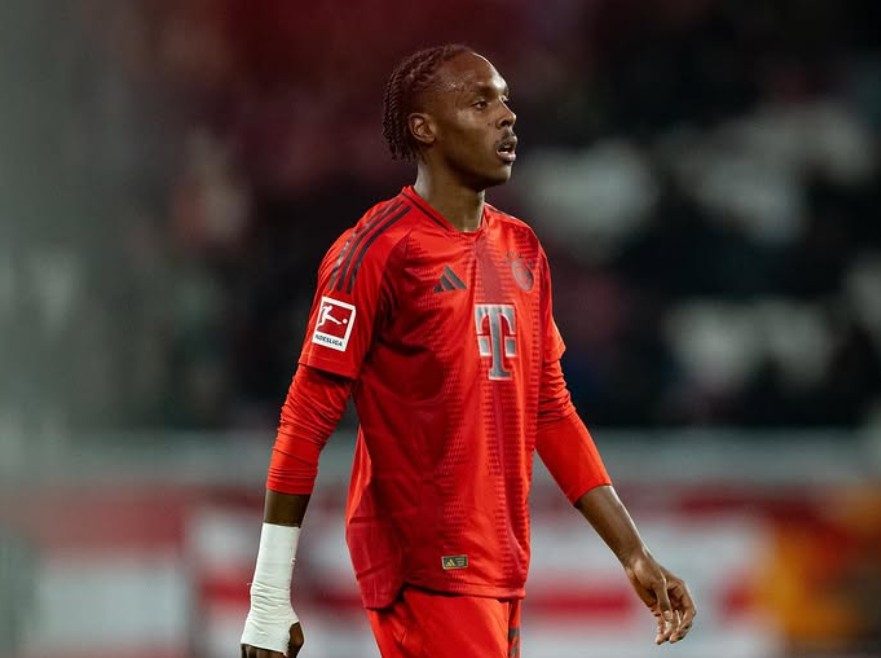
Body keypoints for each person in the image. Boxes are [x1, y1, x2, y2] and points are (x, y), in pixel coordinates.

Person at [240, 44, 696, 658]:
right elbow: (306, 417)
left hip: (498, 557)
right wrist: (269, 594)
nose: (507, 116)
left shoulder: (522, 247)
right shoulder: (377, 251)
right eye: (481, 103)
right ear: (424, 128)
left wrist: (632, 551)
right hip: (424, 559)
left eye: (504, 100)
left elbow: (550, 408)